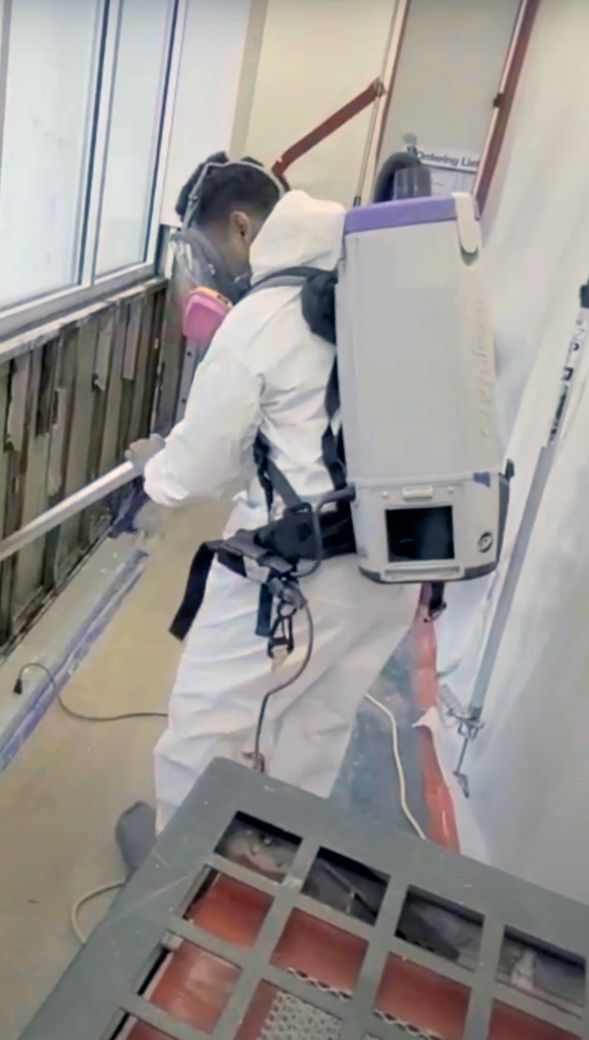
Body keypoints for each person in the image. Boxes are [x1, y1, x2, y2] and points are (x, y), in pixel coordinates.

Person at [116, 155, 418, 870]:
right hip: (395, 561)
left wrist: (151, 470)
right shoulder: (374, 283)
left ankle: (174, 884)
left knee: (205, 729)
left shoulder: (260, 319)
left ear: (243, 226)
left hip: (300, 576)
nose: (206, 270)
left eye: (203, 249)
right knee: (315, 723)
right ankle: (270, 865)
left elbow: (197, 467)